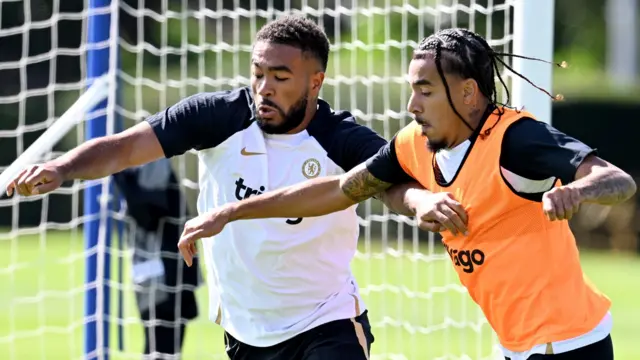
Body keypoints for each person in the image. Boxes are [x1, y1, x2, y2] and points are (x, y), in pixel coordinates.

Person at [174, 29, 637, 360]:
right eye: (411, 90)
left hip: (570, 345)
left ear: (469, 93)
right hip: (514, 345)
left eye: (425, 91)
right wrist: (231, 213)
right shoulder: (414, 144)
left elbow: (618, 180)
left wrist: (577, 191)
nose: (412, 105)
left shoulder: (516, 140)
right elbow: (338, 189)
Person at [6, 15, 382, 360]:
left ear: (315, 82)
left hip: (326, 321)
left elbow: (391, 177)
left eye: (280, 78)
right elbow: (127, 147)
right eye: (257, 74)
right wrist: (61, 167)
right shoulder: (219, 117)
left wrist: (421, 201)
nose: (264, 89)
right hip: (246, 331)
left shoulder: (339, 138)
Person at [112, 158, 201, 358]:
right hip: (158, 270)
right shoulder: (147, 158)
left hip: (168, 269)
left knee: (164, 348)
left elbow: (149, 211)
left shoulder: (150, 158)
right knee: (162, 348)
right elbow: (148, 213)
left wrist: (117, 175)